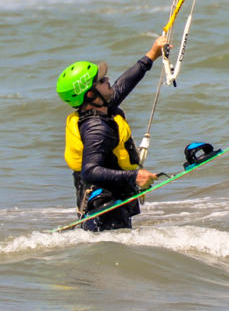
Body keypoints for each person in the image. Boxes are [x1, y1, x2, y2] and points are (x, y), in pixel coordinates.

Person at [56, 34, 168, 231]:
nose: (108, 80)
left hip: (104, 206)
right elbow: (90, 171)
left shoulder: (98, 108)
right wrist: (134, 176)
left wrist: (152, 54)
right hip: (106, 212)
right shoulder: (97, 129)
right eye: (101, 80)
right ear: (90, 94)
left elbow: (123, 85)